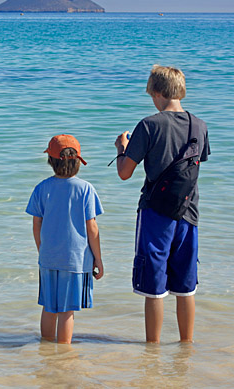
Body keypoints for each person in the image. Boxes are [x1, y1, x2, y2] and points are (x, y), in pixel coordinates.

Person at [114, 65, 210, 343]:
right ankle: (186, 345)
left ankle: (152, 349)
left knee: (154, 287)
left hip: (156, 212)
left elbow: (124, 172)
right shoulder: (199, 125)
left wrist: (122, 148)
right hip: (189, 213)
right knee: (186, 286)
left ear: (156, 93)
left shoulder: (149, 125)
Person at [26, 134, 104, 344]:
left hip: (49, 258)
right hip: (75, 259)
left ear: (50, 161)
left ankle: (46, 349)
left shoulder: (41, 188)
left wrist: (42, 250)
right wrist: (98, 259)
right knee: (67, 311)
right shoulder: (86, 189)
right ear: (78, 161)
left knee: (49, 307)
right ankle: (63, 354)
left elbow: (36, 224)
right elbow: (92, 228)